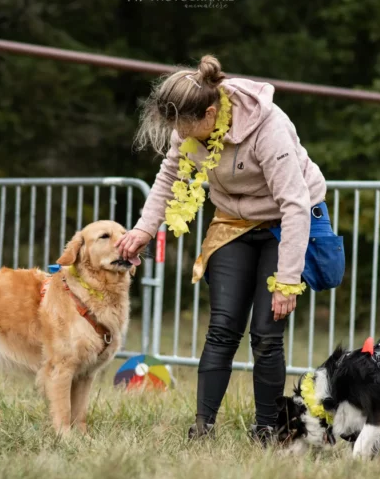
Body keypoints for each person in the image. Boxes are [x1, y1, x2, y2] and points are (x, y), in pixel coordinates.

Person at [116, 55, 343, 445]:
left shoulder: (267, 127)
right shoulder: (187, 126)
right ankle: (202, 428)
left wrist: (287, 282)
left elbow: (294, 204)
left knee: (266, 334)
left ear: (210, 112)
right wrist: (143, 230)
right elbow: (170, 175)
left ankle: (268, 429)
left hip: (283, 222)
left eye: (186, 127)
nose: (180, 135)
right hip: (232, 223)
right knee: (222, 328)